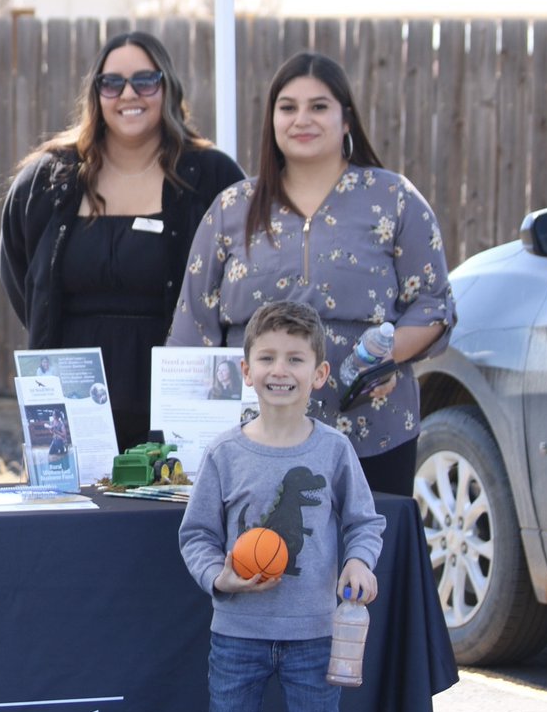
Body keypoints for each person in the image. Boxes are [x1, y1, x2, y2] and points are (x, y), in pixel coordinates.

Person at [167, 50, 455, 495]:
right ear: (272, 120)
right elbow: (192, 330)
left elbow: (433, 306)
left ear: (346, 120)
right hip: (255, 442)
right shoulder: (232, 208)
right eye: (288, 107)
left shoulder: (393, 199)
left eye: (319, 106)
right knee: (259, 564)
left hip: (372, 434)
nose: (302, 119)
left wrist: (381, 358)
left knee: (362, 562)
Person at [0, 31, 243, 450]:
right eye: (112, 83)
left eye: (145, 80)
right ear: (96, 94)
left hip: (180, 401)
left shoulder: (212, 177)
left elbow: (240, 279)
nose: (128, 93)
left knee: (171, 514)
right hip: (69, 403)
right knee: (71, 514)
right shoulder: (47, 180)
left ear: (167, 88)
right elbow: (21, 276)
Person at [179, 300, 385, 712]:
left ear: (319, 374)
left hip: (315, 634)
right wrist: (219, 576)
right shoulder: (224, 453)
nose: (280, 370)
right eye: (268, 358)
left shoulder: (334, 450)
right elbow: (197, 535)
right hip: (236, 635)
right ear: (246, 371)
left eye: (296, 359)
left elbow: (364, 522)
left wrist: (359, 563)